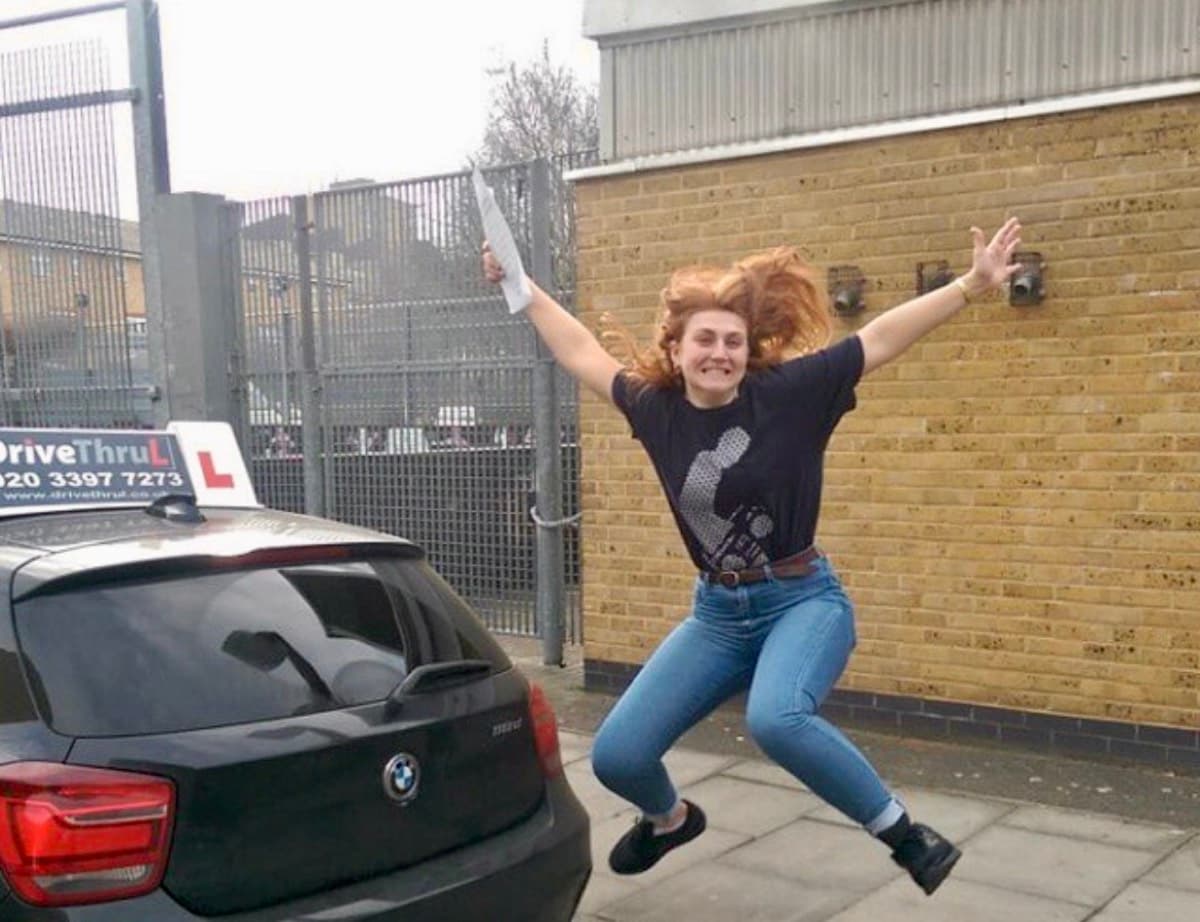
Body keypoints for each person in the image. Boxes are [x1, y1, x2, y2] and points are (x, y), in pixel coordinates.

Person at [482, 217, 1022, 896]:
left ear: (747, 351)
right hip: (716, 614)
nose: (720, 353)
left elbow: (880, 336)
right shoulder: (657, 411)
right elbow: (581, 350)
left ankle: (905, 835)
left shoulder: (792, 394)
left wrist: (970, 287)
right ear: (675, 350)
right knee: (618, 755)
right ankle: (670, 819)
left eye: (732, 342)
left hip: (803, 599)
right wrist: (522, 285)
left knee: (777, 717)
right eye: (704, 340)